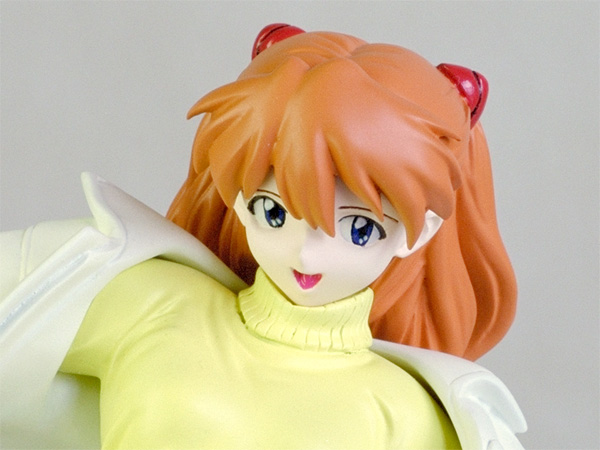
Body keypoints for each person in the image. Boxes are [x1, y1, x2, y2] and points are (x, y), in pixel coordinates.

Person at [0, 24, 526, 449]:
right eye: (273, 212)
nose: (307, 252)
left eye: (359, 228)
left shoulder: (406, 414)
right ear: (237, 196)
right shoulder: (149, 303)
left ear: (418, 232)